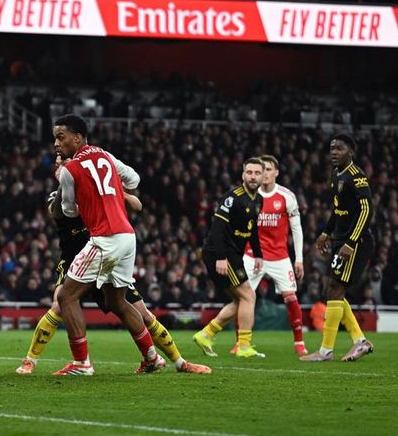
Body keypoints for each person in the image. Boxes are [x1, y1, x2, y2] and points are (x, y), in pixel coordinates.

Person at [15, 184, 211, 375]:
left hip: (107, 258)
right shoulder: (61, 195)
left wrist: (116, 193)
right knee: (60, 304)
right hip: (75, 261)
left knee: (143, 313)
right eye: (60, 163)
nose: (62, 165)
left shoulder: (98, 191)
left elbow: (137, 205)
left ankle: (178, 362)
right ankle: (30, 361)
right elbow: (55, 211)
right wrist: (69, 185)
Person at [51, 114, 165, 376]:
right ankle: (151, 358)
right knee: (117, 301)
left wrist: (86, 196)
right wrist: (113, 193)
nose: (56, 143)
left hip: (105, 239)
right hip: (127, 236)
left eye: (61, 137)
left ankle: (82, 364)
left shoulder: (69, 170)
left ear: (77, 137)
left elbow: (68, 212)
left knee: (66, 296)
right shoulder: (107, 156)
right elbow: (134, 180)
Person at [302, 134, 374, 362]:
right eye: (331, 148)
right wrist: (325, 232)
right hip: (339, 239)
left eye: (339, 148)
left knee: (335, 288)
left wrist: (351, 242)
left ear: (351, 151)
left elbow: (366, 211)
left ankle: (327, 350)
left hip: (355, 241)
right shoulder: (335, 175)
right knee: (333, 289)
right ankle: (359, 341)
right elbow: (338, 210)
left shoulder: (357, 177)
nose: (334, 152)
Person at [225, 154, 307, 355]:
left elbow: (296, 228)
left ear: (276, 172)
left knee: (290, 297)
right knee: (242, 298)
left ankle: (299, 342)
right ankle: (240, 343)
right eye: (264, 170)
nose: (266, 174)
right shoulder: (249, 196)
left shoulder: (287, 197)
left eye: (270, 169)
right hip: (253, 256)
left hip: (280, 256)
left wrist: (299, 259)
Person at [192, 157, 266, 358]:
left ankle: (206, 334)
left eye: (257, 173)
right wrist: (221, 258)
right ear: (243, 175)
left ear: (263, 176)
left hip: (233, 253)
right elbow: (216, 229)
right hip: (221, 252)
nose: (253, 176)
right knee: (249, 296)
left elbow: (252, 230)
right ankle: (243, 346)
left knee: (240, 300)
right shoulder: (232, 198)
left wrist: (258, 254)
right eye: (249, 172)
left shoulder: (258, 200)